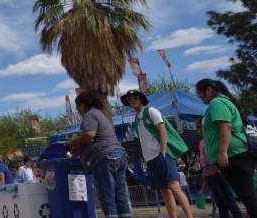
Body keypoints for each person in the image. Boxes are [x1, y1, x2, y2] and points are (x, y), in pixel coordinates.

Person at [121, 89, 194, 218]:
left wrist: (163, 151)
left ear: (141, 98)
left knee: (175, 187)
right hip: (150, 159)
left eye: (135, 97)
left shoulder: (151, 111)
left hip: (161, 156)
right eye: (129, 99)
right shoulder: (137, 118)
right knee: (164, 191)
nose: (132, 100)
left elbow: (162, 130)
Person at [196, 79, 257, 217]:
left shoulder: (216, 103)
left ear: (209, 90)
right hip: (233, 156)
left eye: (200, 93)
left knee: (248, 196)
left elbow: (225, 126)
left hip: (234, 155)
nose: (200, 97)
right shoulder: (221, 102)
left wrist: (223, 151)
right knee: (246, 195)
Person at [67, 90, 132, 218]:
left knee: (107, 194)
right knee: (120, 195)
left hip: (104, 156)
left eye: (77, 107)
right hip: (119, 154)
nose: (78, 110)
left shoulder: (89, 115)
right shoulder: (101, 115)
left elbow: (90, 134)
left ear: (83, 105)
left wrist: (73, 142)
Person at [200, 136, 243, 218]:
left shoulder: (213, 139)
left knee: (229, 200)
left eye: (199, 127)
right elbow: (203, 160)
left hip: (218, 173)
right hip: (208, 175)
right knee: (220, 203)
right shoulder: (201, 142)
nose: (197, 129)